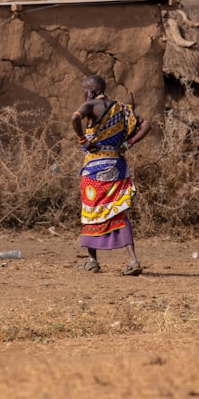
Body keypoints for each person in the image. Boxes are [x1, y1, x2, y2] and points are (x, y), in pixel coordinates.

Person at [71, 75, 150, 276]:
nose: (83, 94)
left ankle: (92, 260)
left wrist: (82, 139)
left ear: (90, 91)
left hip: (94, 169)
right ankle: (132, 259)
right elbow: (146, 125)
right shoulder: (122, 108)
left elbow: (74, 118)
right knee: (118, 212)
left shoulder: (90, 105)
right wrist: (127, 144)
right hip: (117, 166)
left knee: (90, 211)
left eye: (83, 90)